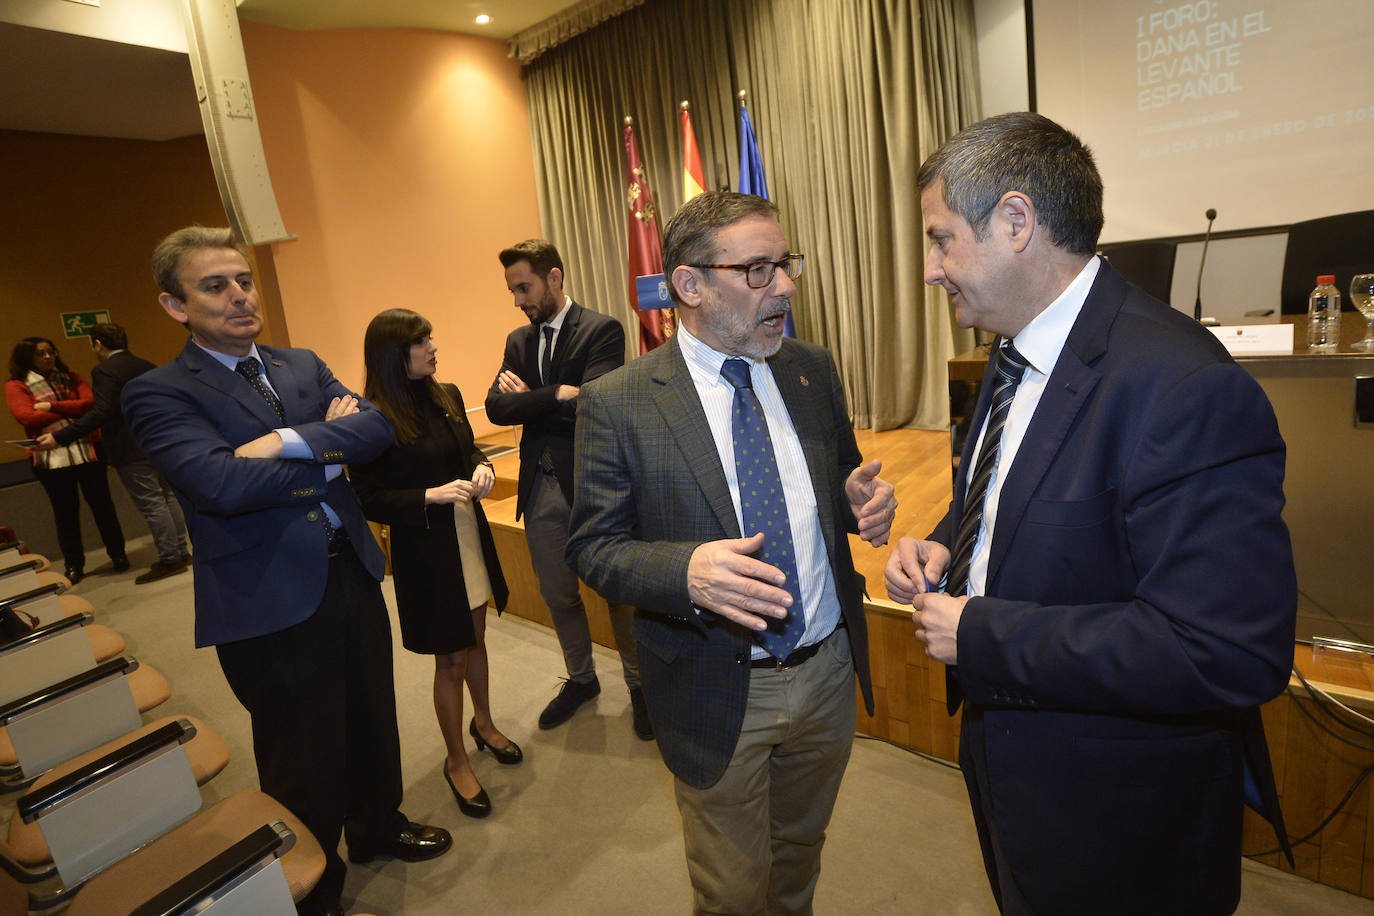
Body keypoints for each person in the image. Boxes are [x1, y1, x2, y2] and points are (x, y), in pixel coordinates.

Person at [884, 112, 1296, 916]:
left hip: (1120, 814)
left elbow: (1225, 649)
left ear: (1015, 222)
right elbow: (1020, 494)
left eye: (939, 240)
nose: (931, 271)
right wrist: (946, 548)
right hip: (1016, 771)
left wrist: (980, 632)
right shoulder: (1012, 349)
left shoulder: (1182, 386)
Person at [566, 191, 896, 914]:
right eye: (757, 270)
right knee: (733, 892)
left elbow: (834, 482)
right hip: (716, 686)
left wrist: (859, 504)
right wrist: (684, 571)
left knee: (799, 861)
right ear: (689, 285)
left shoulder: (811, 369)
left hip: (828, 674)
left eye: (785, 264)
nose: (784, 286)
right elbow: (592, 547)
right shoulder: (619, 401)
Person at [122, 227, 450, 916]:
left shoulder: (299, 364)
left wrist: (279, 443)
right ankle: (316, 883)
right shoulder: (159, 393)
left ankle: (376, 828)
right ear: (175, 305)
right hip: (265, 596)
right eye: (215, 286)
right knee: (301, 750)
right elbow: (219, 486)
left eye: (243, 280)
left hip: (352, 571)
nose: (239, 295)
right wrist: (328, 453)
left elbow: (375, 429)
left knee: (371, 715)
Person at [353, 308, 519, 820]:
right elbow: (369, 498)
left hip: (467, 533)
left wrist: (483, 469)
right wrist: (428, 495)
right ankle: (456, 759)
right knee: (449, 660)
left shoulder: (444, 394)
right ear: (393, 354)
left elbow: (470, 450)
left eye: (430, 336)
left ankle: (484, 723)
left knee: (477, 641)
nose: (432, 346)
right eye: (421, 340)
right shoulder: (374, 417)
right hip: (426, 550)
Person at [485, 239, 650, 738]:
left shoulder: (602, 330)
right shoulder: (518, 340)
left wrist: (532, 400)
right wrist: (556, 392)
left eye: (524, 287)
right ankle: (582, 679)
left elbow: (596, 406)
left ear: (554, 278)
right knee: (559, 596)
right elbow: (495, 408)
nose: (517, 300)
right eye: (512, 290)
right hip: (541, 488)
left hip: (596, 485)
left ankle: (642, 688)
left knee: (620, 597)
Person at [36, 323, 190, 584]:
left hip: (128, 446)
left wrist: (60, 436)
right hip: (158, 441)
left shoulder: (104, 370)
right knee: (168, 497)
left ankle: (170, 557)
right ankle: (181, 551)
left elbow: (103, 411)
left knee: (153, 503)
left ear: (97, 344)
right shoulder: (146, 364)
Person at [6, 336, 127, 582]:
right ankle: (74, 565)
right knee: (65, 514)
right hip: (51, 459)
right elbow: (26, 417)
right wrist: (71, 408)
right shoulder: (17, 384)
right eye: (41, 353)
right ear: (27, 357)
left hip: (87, 451)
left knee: (103, 507)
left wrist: (50, 407)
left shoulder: (70, 377)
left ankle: (119, 555)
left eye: (51, 352)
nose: (49, 357)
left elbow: (90, 405)